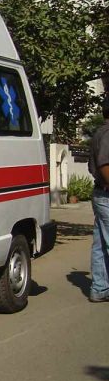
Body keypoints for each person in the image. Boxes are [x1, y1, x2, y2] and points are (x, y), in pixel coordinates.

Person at [88, 96, 109, 303]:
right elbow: (104, 163)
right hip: (106, 194)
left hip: (100, 194)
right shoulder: (108, 133)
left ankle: (100, 288)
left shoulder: (99, 133)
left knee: (101, 244)